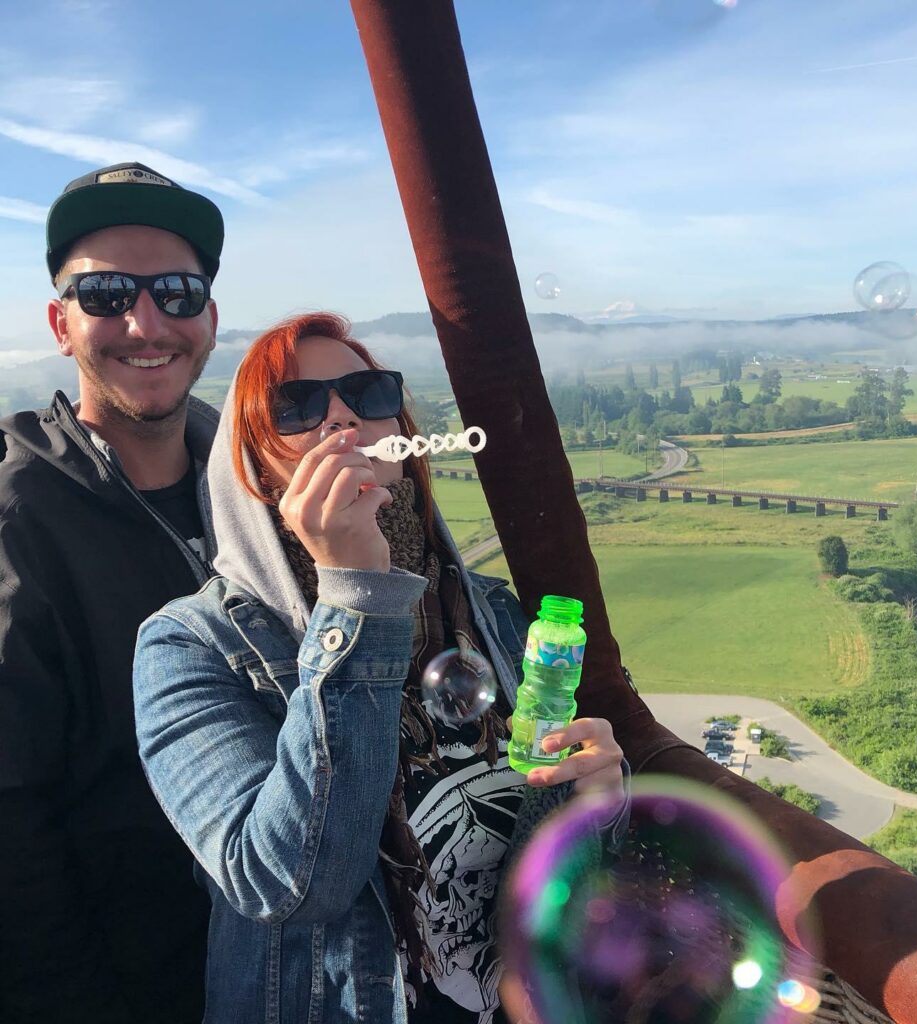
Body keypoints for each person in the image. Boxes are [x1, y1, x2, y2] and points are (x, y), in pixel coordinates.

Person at [133, 311, 626, 1023]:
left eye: (366, 392)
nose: (340, 418)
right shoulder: (189, 647)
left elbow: (547, 872)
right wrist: (357, 592)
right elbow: (287, 887)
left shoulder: (491, 612)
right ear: (254, 469)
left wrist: (592, 803)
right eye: (296, 406)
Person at [0, 162, 223, 1023]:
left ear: (208, 316)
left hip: (282, 966)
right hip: (130, 986)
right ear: (61, 324)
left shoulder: (249, 479)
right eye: (104, 294)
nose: (145, 321)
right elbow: (10, 823)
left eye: (175, 290)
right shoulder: (21, 514)